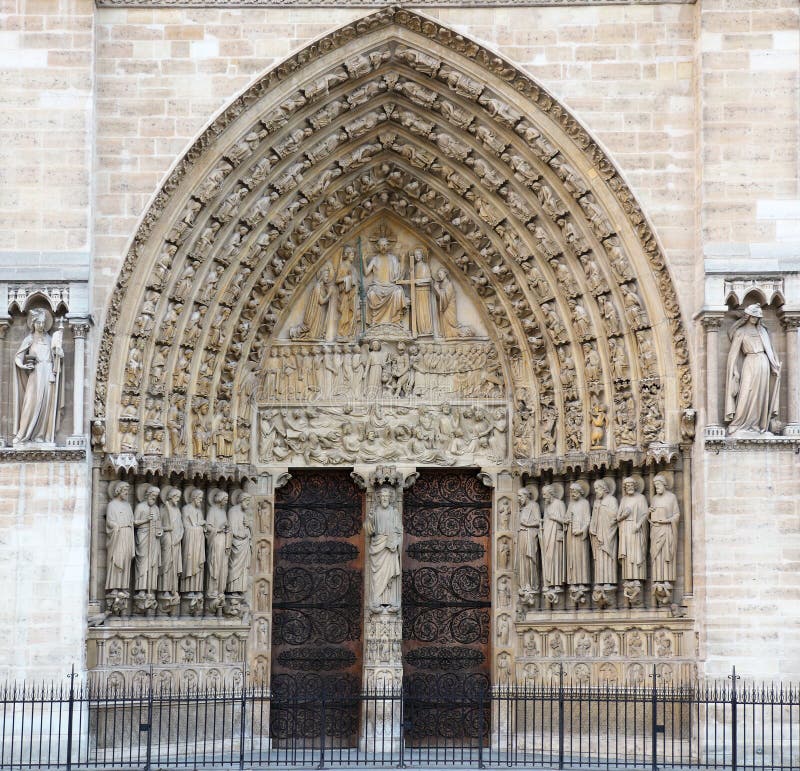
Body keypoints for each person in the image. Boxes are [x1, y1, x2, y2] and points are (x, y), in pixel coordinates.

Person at [725, 303, 781, 435]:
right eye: (753, 316)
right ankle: (740, 423)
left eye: (757, 317)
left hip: (763, 363)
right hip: (750, 363)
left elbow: (770, 351)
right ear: (748, 316)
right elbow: (733, 354)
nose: (755, 319)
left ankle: (757, 425)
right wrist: (735, 371)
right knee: (746, 393)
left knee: (760, 394)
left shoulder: (763, 331)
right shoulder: (740, 332)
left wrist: (774, 366)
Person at [13, 308, 64, 443]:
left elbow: (57, 357)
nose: (41, 325)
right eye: (39, 323)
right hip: (35, 374)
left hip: (48, 374)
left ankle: (40, 436)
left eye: (43, 323)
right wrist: (24, 366)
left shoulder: (50, 339)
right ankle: (22, 433)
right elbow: (18, 357)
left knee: (46, 405)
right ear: (33, 323)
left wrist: (59, 353)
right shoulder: (29, 339)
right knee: (30, 403)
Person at [365, 486, 402, 610]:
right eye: (383, 497)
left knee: (390, 574)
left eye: (387, 496)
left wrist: (395, 542)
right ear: (379, 498)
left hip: (390, 547)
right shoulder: (374, 512)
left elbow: (399, 530)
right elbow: (369, 530)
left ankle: (390, 600)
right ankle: (376, 600)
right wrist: (369, 519)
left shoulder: (394, 512)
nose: (385, 499)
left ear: (390, 498)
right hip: (378, 546)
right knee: (377, 576)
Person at [649, 473, 681, 605]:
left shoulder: (672, 497)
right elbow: (650, 515)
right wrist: (650, 512)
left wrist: (667, 520)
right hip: (656, 530)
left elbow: (677, 514)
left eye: (658, 485)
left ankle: (667, 580)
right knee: (657, 557)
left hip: (667, 530)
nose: (657, 488)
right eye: (655, 485)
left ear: (664, 484)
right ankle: (657, 580)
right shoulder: (655, 498)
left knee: (666, 555)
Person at [105, 480, 136, 612]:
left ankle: (123, 587)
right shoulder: (112, 505)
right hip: (118, 535)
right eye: (124, 491)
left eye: (127, 491)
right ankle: (114, 587)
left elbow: (132, 521)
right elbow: (109, 521)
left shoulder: (128, 506)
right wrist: (115, 526)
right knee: (116, 560)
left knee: (126, 561)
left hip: (128, 534)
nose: (126, 493)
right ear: (118, 491)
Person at [364, 236, 408, 326]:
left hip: (390, 286)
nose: (383, 247)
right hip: (377, 287)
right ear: (378, 247)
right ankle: (375, 321)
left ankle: (395, 320)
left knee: (398, 292)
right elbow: (366, 272)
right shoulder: (375, 259)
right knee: (371, 294)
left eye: (385, 245)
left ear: (388, 246)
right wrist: (363, 260)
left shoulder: (393, 259)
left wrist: (402, 260)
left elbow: (398, 275)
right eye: (381, 245)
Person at [516, 486, 541, 604]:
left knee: (529, 560)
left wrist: (527, 524)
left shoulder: (534, 506)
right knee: (522, 560)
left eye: (520, 496)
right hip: (521, 536)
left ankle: (531, 585)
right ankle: (524, 584)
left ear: (526, 496)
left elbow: (538, 522)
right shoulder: (522, 508)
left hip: (530, 536)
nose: (518, 499)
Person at [565, 481, 591, 589]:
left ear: (580, 492)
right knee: (572, 557)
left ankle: (582, 582)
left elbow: (588, 519)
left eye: (574, 491)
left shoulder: (585, 503)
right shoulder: (571, 504)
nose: (572, 493)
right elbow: (566, 518)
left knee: (581, 557)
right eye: (570, 491)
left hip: (580, 535)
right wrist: (566, 520)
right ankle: (573, 581)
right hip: (571, 535)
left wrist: (581, 530)